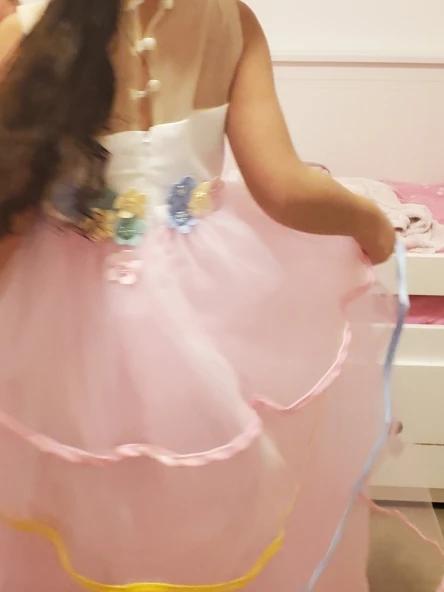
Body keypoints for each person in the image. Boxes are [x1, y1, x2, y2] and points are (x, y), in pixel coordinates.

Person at [0, 1, 440, 592]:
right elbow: (286, 189)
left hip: (62, 311)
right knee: (199, 484)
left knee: (80, 487)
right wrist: (372, 224)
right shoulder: (230, 18)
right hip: (207, 293)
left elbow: (10, 210)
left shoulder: (25, 32)